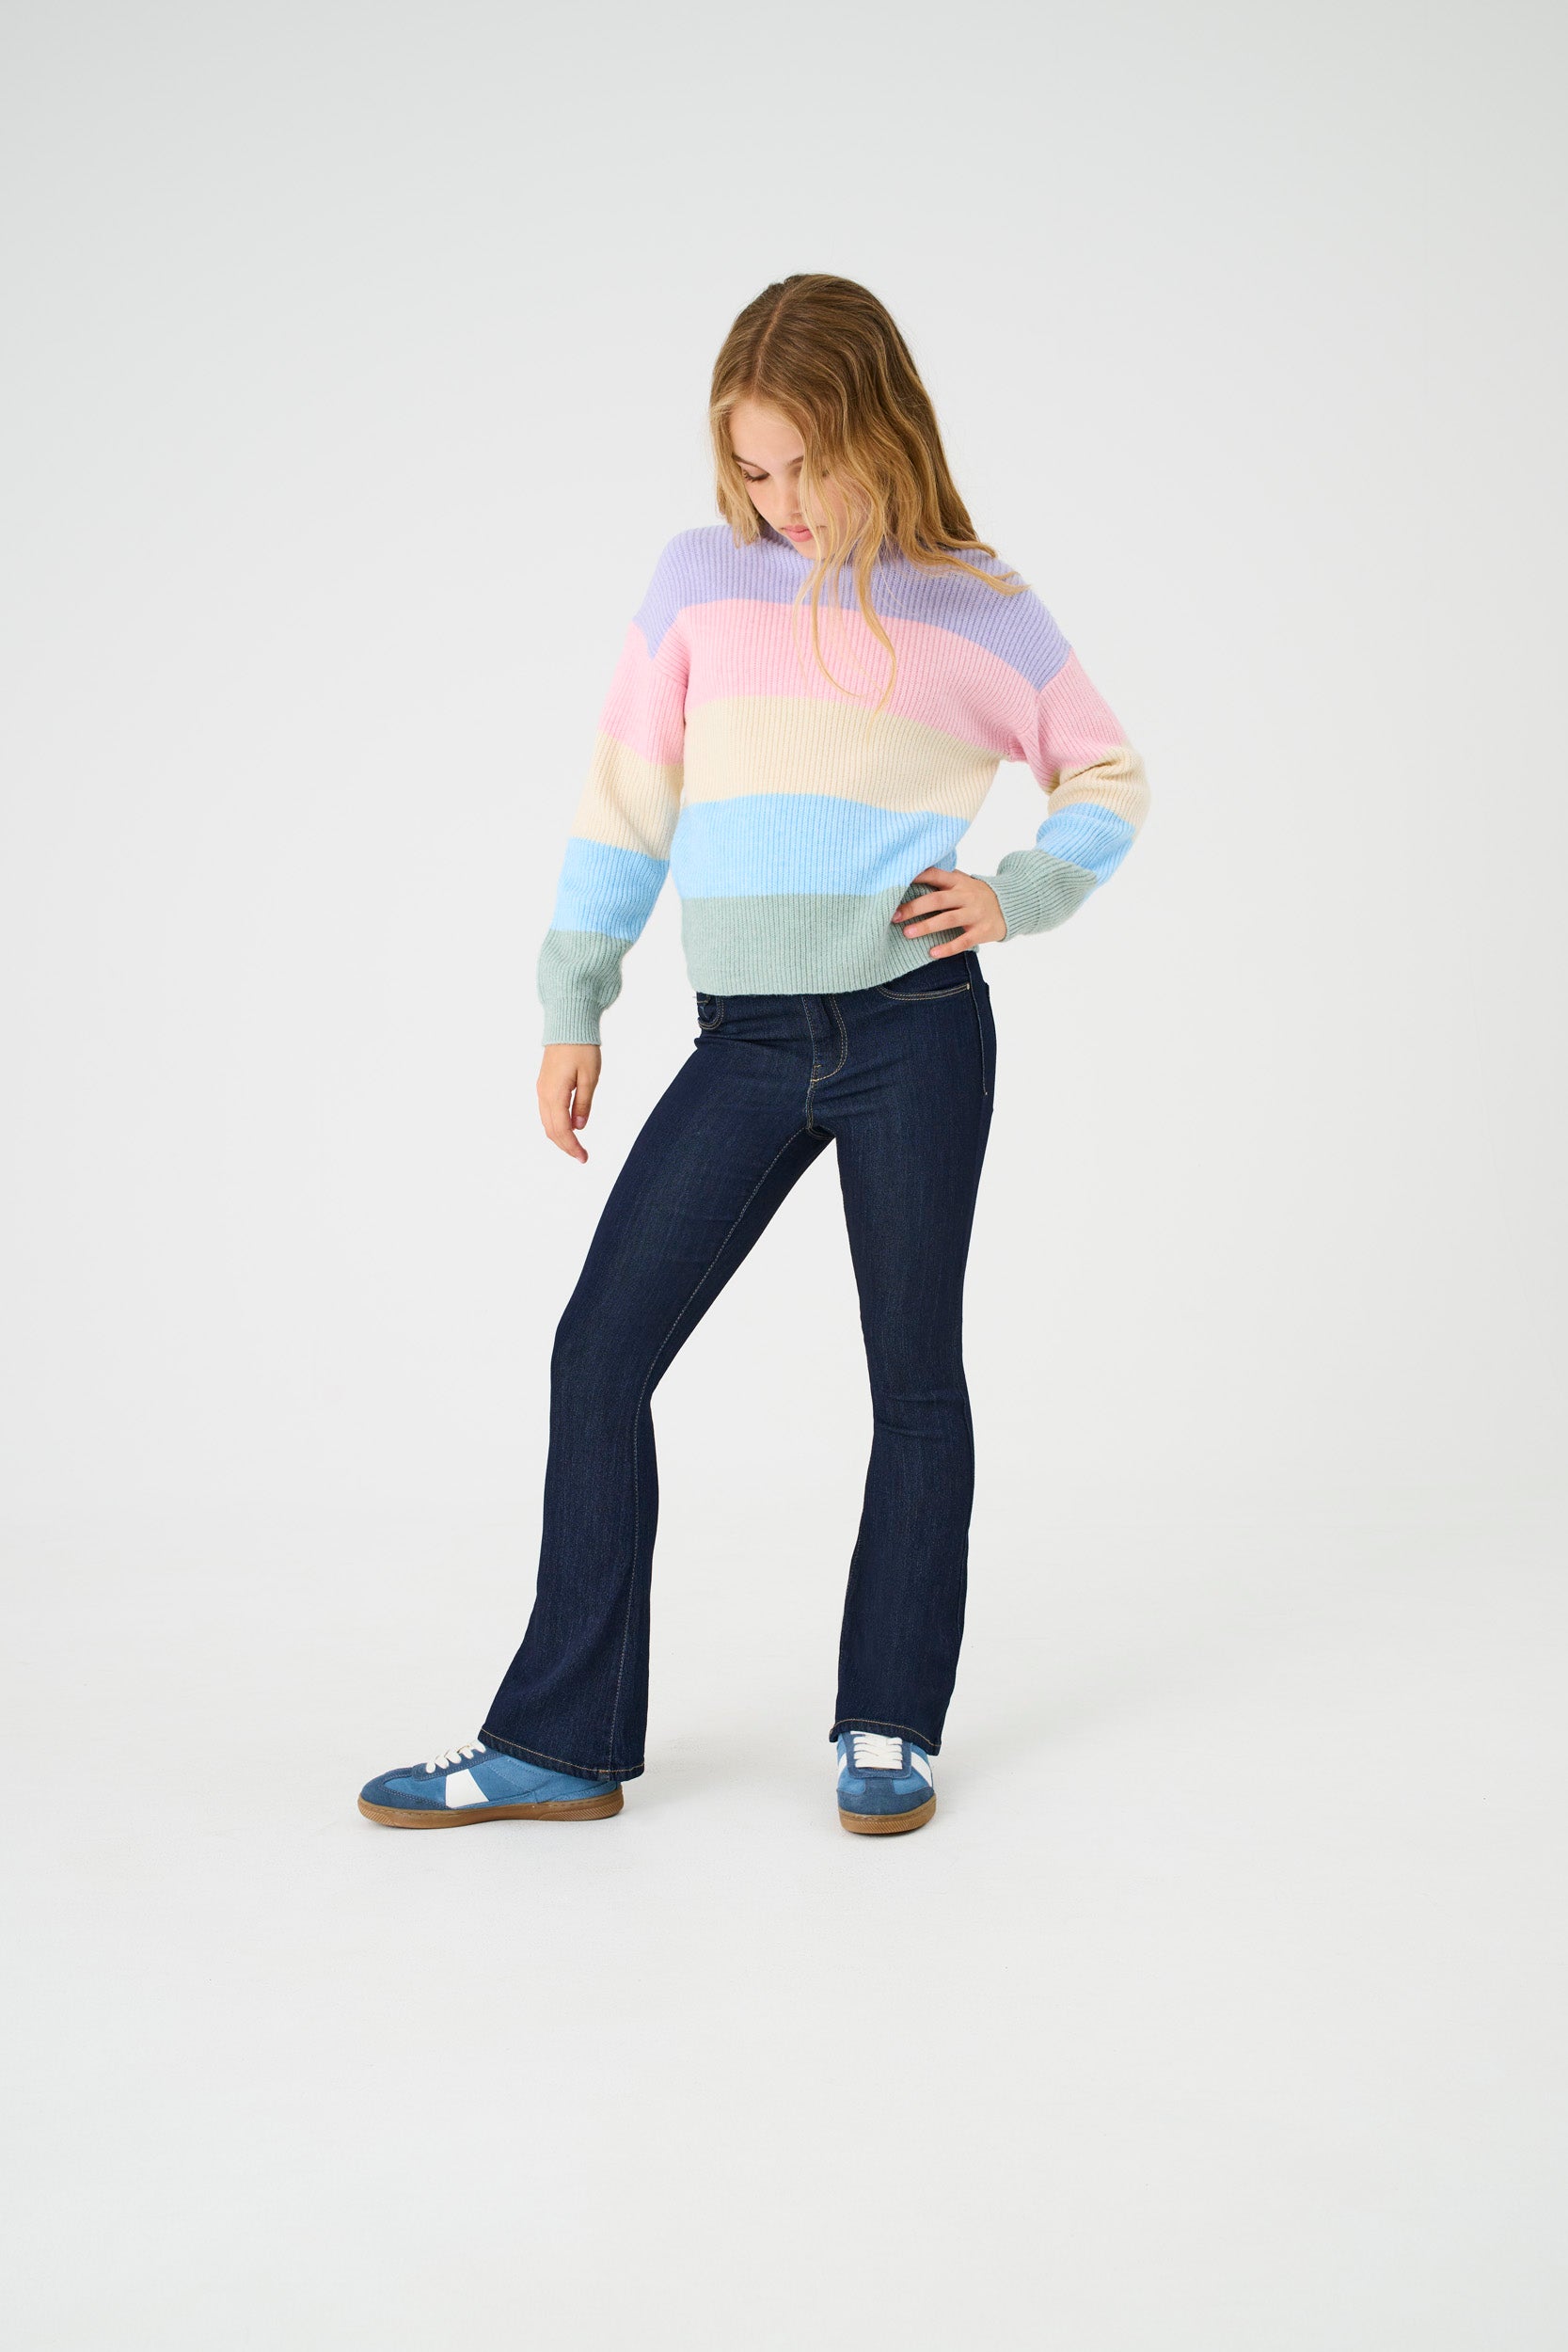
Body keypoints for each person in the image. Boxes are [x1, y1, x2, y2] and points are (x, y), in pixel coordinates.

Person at [358, 273, 1149, 1838]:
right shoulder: (699, 580)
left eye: (808, 464)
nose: (781, 500)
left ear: (885, 433)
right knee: (601, 1353)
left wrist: (1019, 891)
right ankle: (562, 1740)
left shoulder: (976, 602)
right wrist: (574, 1001)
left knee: (912, 1375)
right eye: (753, 468)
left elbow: (1108, 771)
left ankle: (888, 1725)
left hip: (917, 1026)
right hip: (748, 1038)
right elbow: (627, 795)